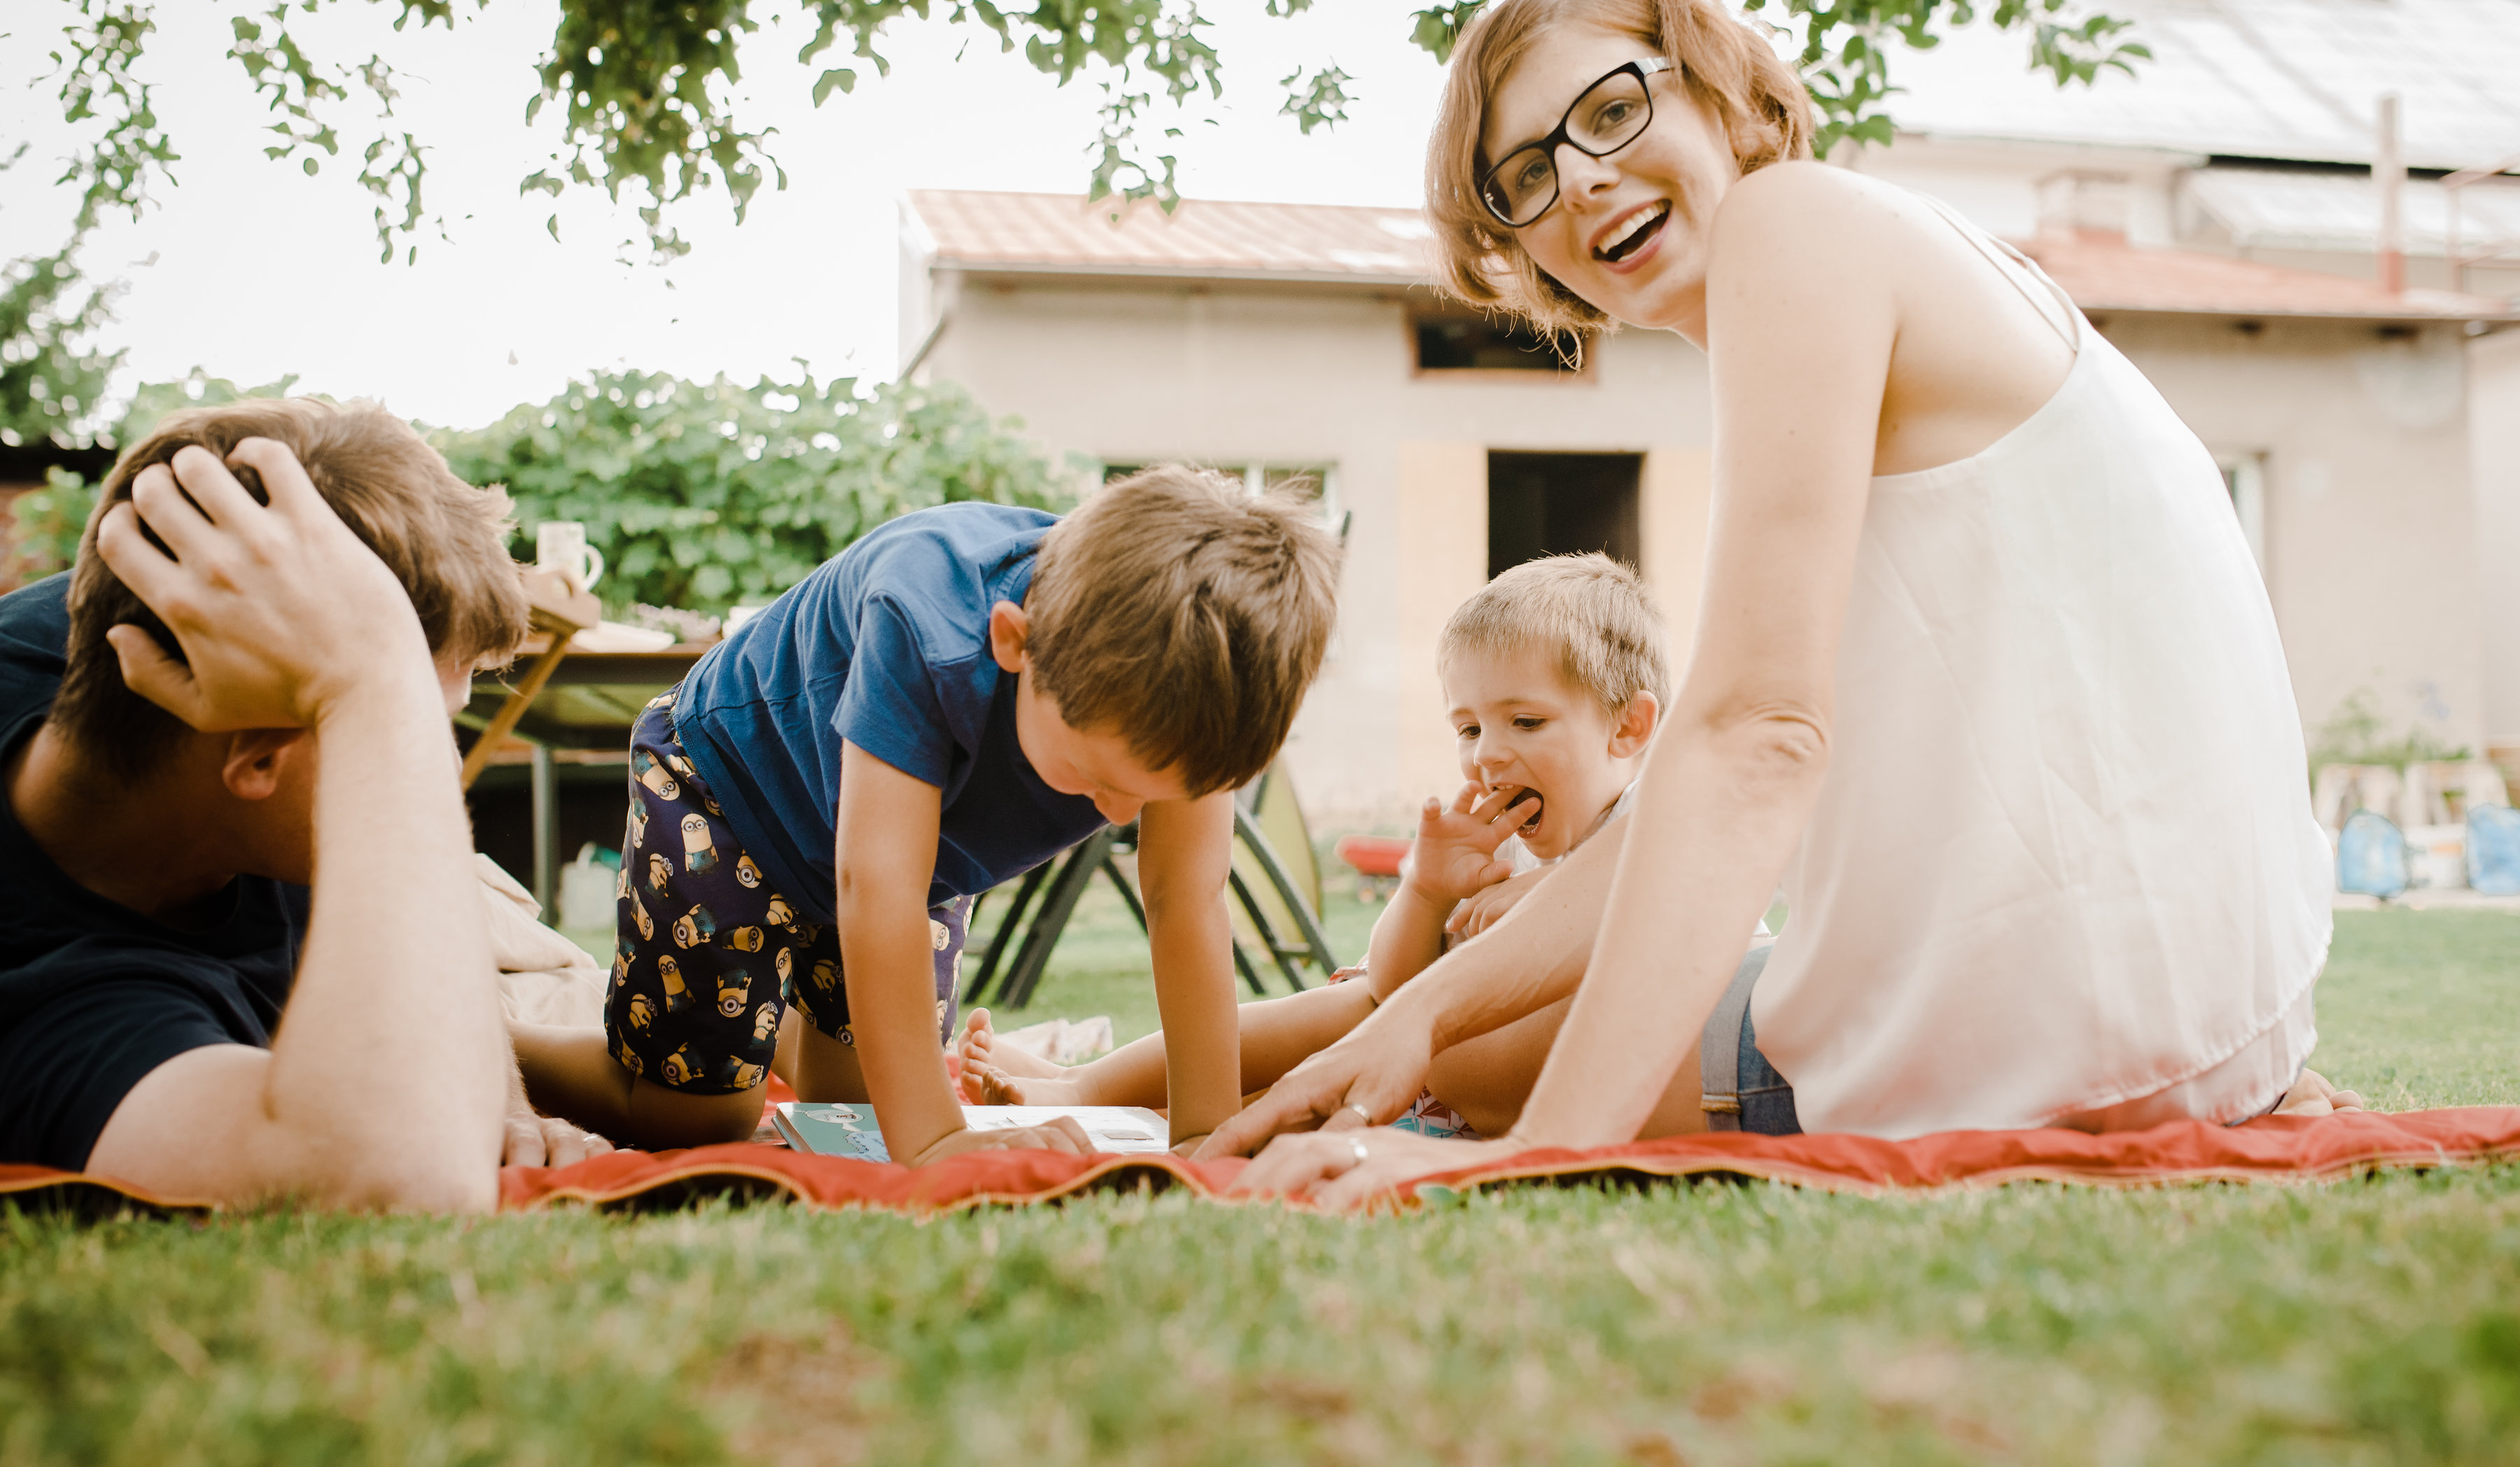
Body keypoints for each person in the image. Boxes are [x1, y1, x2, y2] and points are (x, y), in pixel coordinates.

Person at [1214, 0, 2356, 1204]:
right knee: (1437, 1017)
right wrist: (1416, 1009)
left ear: (1730, 94)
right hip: (2201, 1029)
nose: (1582, 177)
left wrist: (1529, 1157)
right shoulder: (1908, 264)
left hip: (2049, 1046)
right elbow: (1702, 783)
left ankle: (1128, 1086)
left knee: (1488, 1061)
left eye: (1609, 111)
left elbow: (1757, 738)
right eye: (1528, 175)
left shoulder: (1796, 223)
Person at [518, 465, 1343, 1164]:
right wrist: (939, 1147)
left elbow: (1185, 899)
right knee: (700, 1122)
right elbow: (875, 887)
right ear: (1014, 643)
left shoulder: (1204, 690)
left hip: (915, 851)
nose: (1121, 812)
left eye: (1153, 795)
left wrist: (1206, 1134)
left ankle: (760, 1023)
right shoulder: (927, 620)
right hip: (727, 795)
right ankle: (497, 1038)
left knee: (853, 1117)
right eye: (1092, 776)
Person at [0, 401, 604, 1207]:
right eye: (412, 730)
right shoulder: (56, 1002)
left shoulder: (154, 613)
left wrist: (491, 1078)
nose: (430, 770)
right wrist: (370, 688)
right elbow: (392, 1183)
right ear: (257, 754)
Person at [956, 553, 1669, 1133]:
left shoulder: (1665, 824)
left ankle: (1100, 1085)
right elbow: (1393, 986)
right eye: (1470, 728)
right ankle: (1097, 1084)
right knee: (1353, 1004)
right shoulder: (1501, 844)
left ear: (1629, 729)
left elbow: (1668, 905)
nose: (1488, 755)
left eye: (1526, 722)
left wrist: (1544, 893)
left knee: (1339, 1032)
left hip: (1514, 1074)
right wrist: (1424, 890)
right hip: (1424, 1070)